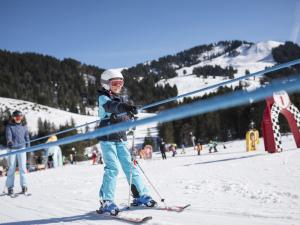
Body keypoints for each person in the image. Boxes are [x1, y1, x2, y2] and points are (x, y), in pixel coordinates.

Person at [97, 69, 156, 215]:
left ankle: (139, 196)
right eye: (115, 83)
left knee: (131, 167)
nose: (118, 86)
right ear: (105, 84)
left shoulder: (121, 100)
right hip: (107, 139)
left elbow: (123, 117)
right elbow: (111, 107)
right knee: (112, 168)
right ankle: (106, 201)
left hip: (121, 138)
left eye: (121, 83)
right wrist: (124, 108)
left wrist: (131, 119)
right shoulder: (103, 98)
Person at [5, 110, 30, 195]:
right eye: (16, 117)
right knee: (11, 168)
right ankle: (10, 187)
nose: (18, 119)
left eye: (20, 117)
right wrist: (9, 141)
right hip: (12, 149)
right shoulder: (10, 126)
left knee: (23, 168)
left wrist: (28, 146)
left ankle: (24, 186)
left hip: (22, 148)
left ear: (22, 117)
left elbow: (27, 136)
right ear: (13, 117)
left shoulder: (24, 126)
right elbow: (9, 135)